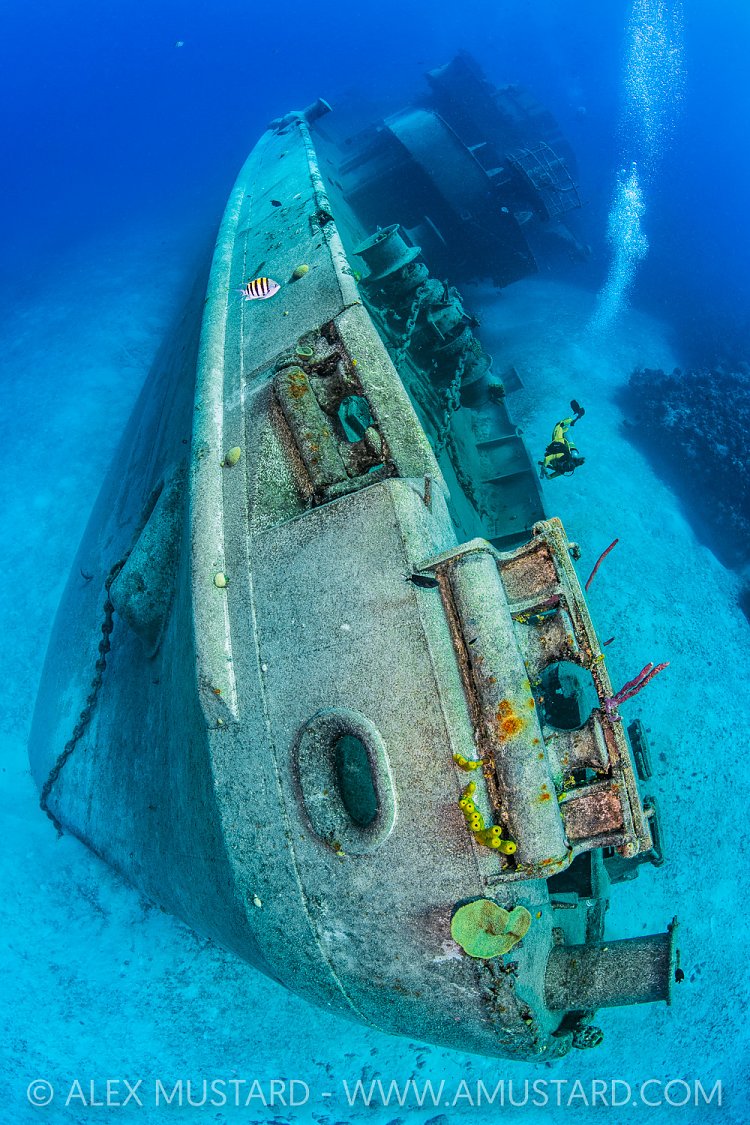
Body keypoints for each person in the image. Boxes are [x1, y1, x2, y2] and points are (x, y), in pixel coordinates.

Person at [539, 401, 585, 478]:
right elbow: (548, 458)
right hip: (558, 440)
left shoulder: (562, 470)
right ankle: (577, 414)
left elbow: (549, 478)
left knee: (566, 429)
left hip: (564, 443)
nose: (561, 464)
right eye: (563, 464)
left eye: (562, 466)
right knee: (560, 424)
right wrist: (543, 467)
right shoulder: (563, 456)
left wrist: (545, 473)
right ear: (566, 461)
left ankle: (575, 417)